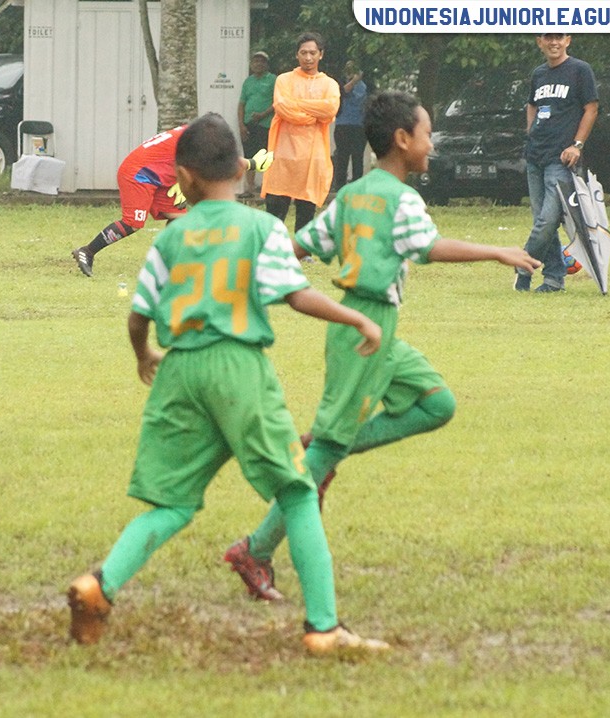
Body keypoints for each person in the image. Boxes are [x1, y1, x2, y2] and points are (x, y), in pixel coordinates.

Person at [66, 113, 390, 656]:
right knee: (296, 490)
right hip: (238, 370)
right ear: (243, 169)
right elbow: (296, 295)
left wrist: (143, 353)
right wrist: (354, 317)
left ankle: (100, 584)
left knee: (170, 504)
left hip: (179, 371)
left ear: (183, 179)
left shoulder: (171, 239)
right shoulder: (261, 228)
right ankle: (324, 628)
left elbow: (139, 314)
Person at [223, 91, 541, 601]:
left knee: (437, 404)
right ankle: (255, 549)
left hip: (376, 328)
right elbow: (430, 248)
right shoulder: (401, 198)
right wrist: (497, 251)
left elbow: (301, 244)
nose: (431, 145)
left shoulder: (351, 194)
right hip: (361, 326)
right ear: (402, 139)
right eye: (427, 133)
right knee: (324, 454)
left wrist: (251, 264)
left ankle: (326, 445)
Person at [72, 126, 271, 277]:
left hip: (159, 177)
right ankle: (87, 251)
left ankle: (169, 264)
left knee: (178, 218)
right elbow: (217, 165)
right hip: (139, 175)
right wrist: (251, 163)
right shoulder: (194, 142)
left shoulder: (193, 136)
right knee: (133, 223)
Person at [514, 33, 598, 294]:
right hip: (535, 156)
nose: (554, 42)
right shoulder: (538, 74)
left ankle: (521, 267)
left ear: (568, 40)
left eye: (558, 37)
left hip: (561, 158)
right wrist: (531, 131)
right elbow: (531, 104)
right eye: (548, 38)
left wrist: (577, 145)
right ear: (539, 41)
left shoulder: (580, 70)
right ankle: (553, 278)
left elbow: (591, 108)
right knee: (540, 218)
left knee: (548, 221)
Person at [261, 31, 340, 232]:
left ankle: (303, 250)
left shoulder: (329, 84)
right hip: (283, 154)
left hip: (313, 156)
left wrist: (297, 104)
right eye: (303, 53)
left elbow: (330, 108)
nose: (308, 58)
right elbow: (282, 107)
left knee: (307, 205)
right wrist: (313, 114)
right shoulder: (284, 80)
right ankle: (270, 247)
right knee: (276, 206)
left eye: (312, 53)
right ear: (297, 54)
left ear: (320, 54)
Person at [238, 51, 276, 196]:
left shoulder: (273, 79)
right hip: (248, 124)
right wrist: (241, 124)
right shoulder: (248, 81)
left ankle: (267, 188)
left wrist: (263, 114)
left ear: (266, 64)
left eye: (261, 61)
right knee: (250, 156)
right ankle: (250, 188)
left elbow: (277, 102)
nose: (258, 64)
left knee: (266, 155)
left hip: (266, 124)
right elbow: (241, 104)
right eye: (255, 61)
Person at [331, 60, 369, 190]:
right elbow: (344, 91)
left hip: (359, 125)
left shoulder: (364, 86)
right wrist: (353, 81)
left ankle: (357, 187)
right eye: (348, 69)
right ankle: (340, 187)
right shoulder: (340, 83)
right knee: (342, 157)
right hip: (343, 124)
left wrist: (358, 80)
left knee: (358, 158)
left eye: (353, 69)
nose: (350, 72)